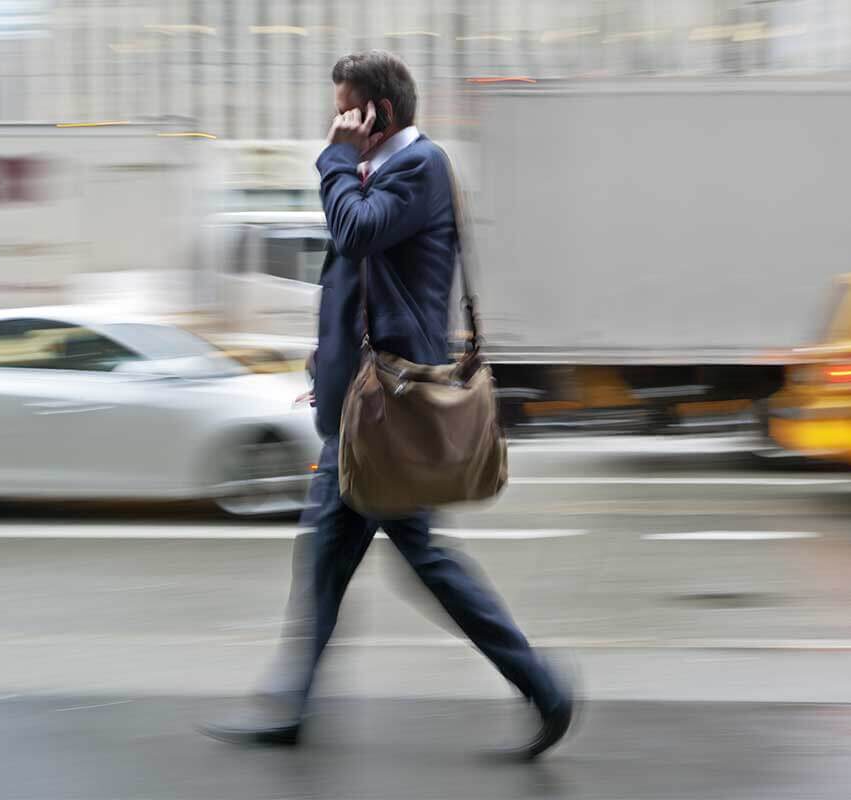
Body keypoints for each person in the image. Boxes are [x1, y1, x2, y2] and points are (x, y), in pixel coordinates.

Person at [201, 50, 575, 760]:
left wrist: (333, 161)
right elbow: (361, 282)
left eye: (346, 108)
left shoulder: (418, 168)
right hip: (358, 409)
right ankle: (293, 704)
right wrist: (330, 362)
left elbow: (355, 232)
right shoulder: (384, 172)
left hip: (388, 416)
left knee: (423, 560)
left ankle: (544, 687)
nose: (336, 120)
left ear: (380, 114)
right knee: (324, 562)